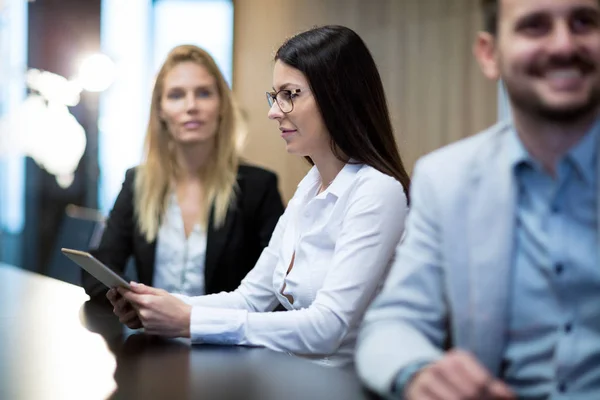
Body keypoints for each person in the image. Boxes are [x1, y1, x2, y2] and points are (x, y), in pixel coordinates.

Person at [108, 25, 411, 367]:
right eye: (275, 96)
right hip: (287, 378)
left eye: (290, 94)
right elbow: (250, 299)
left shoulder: (377, 192)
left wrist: (189, 320)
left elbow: (327, 328)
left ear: (337, 96)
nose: (274, 111)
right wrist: (158, 304)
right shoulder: (310, 186)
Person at [357, 0, 600, 398]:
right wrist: (417, 372)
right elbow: (395, 321)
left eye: (584, 22)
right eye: (535, 26)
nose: (563, 45)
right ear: (490, 55)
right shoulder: (445, 179)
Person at [83, 45, 284, 304]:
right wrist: (136, 305)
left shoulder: (258, 188)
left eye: (203, 93)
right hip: (152, 339)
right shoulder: (138, 183)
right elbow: (98, 272)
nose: (191, 106)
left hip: (228, 340)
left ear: (222, 105)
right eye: (176, 95)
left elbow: (279, 288)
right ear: (160, 110)